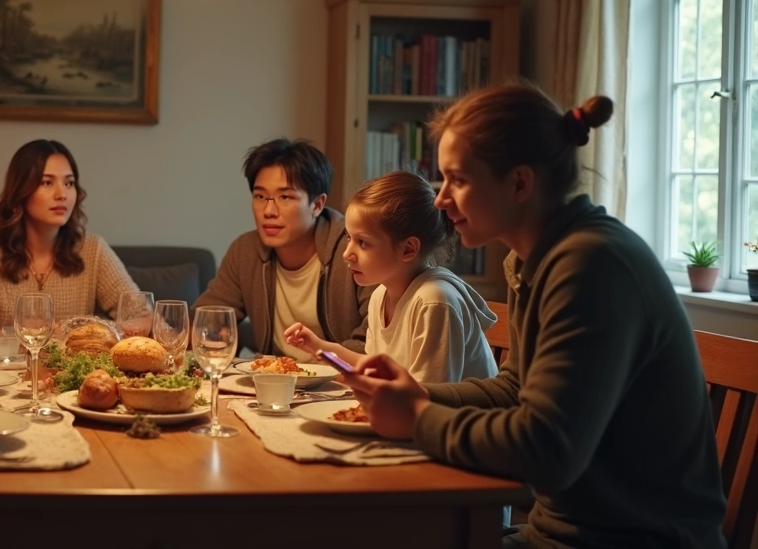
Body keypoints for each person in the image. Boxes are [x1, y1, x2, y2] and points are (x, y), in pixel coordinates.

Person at [342, 84, 727, 547]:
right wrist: (414, 393)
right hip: (559, 532)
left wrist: (419, 416)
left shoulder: (591, 264)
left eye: (457, 180)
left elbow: (548, 450)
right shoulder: (532, 260)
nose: (441, 199)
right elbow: (514, 388)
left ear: (520, 183)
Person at [285, 170, 498, 383]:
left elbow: (427, 397)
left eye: (363, 243)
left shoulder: (434, 301)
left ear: (407, 249)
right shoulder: (380, 295)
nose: (347, 253)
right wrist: (319, 346)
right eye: (349, 238)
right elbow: (371, 365)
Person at [0, 139, 139, 348]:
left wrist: (77, 331)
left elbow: (142, 319)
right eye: (47, 182)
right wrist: (25, 336)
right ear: (21, 190)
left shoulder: (93, 250)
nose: (62, 194)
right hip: (1, 375)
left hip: (69, 377)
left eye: (69, 183)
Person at [194, 138, 372, 360]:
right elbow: (205, 321)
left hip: (340, 384)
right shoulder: (245, 252)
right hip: (274, 384)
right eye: (260, 196)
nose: (268, 210)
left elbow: (373, 340)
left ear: (317, 205)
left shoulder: (353, 249)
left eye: (285, 197)